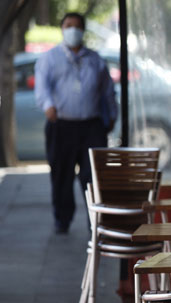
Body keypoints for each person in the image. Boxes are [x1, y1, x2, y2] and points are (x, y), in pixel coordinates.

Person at [35, 12, 117, 234]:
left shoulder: (95, 59)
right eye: (68, 25)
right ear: (62, 28)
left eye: (77, 26)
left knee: (93, 176)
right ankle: (62, 219)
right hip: (61, 125)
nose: (73, 30)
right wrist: (48, 106)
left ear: (83, 30)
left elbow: (108, 91)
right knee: (61, 174)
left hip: (91, 126)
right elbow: (42, 88)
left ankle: (96, 221)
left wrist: (111, 116)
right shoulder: (49, 58)